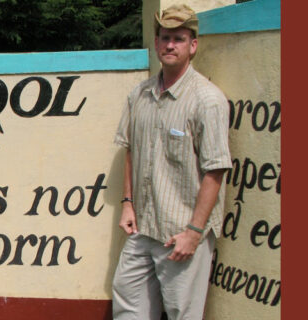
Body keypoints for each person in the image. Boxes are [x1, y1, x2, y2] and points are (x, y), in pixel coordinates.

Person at [111, 4, 231, 320]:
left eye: (179, 38)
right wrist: (127, 203)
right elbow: (131, 149)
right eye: (165, 37)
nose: (170, 45)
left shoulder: (207, 100)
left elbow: (215, 170)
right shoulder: (140, 95)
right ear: (156, 43)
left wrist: (193, 232)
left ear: (193, 45)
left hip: (181, 234)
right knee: (127, 308)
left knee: (182, 313)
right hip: (142, 228)